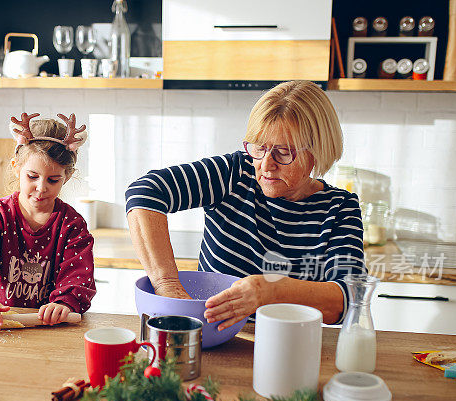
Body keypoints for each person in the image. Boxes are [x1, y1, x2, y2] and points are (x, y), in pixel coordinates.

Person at [125, 80, 366, 330]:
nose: (265, 164)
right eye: (259, 148)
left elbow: (347, 300)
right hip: (216, 342)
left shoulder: (339, 208)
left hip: (291, 345)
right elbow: (145, 191)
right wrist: (166, 284)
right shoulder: (235, 174)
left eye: (283, 152)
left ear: (318, 151)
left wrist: (270, 291)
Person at [0, 112, 96, 332]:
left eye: (53, 180)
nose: (41, 188)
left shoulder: (72, 225)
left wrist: (65, 303)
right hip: (3, 324)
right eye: (32, 176)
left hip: (54, 329)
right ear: (16, 167)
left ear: (67, 177)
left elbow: (79, 275)